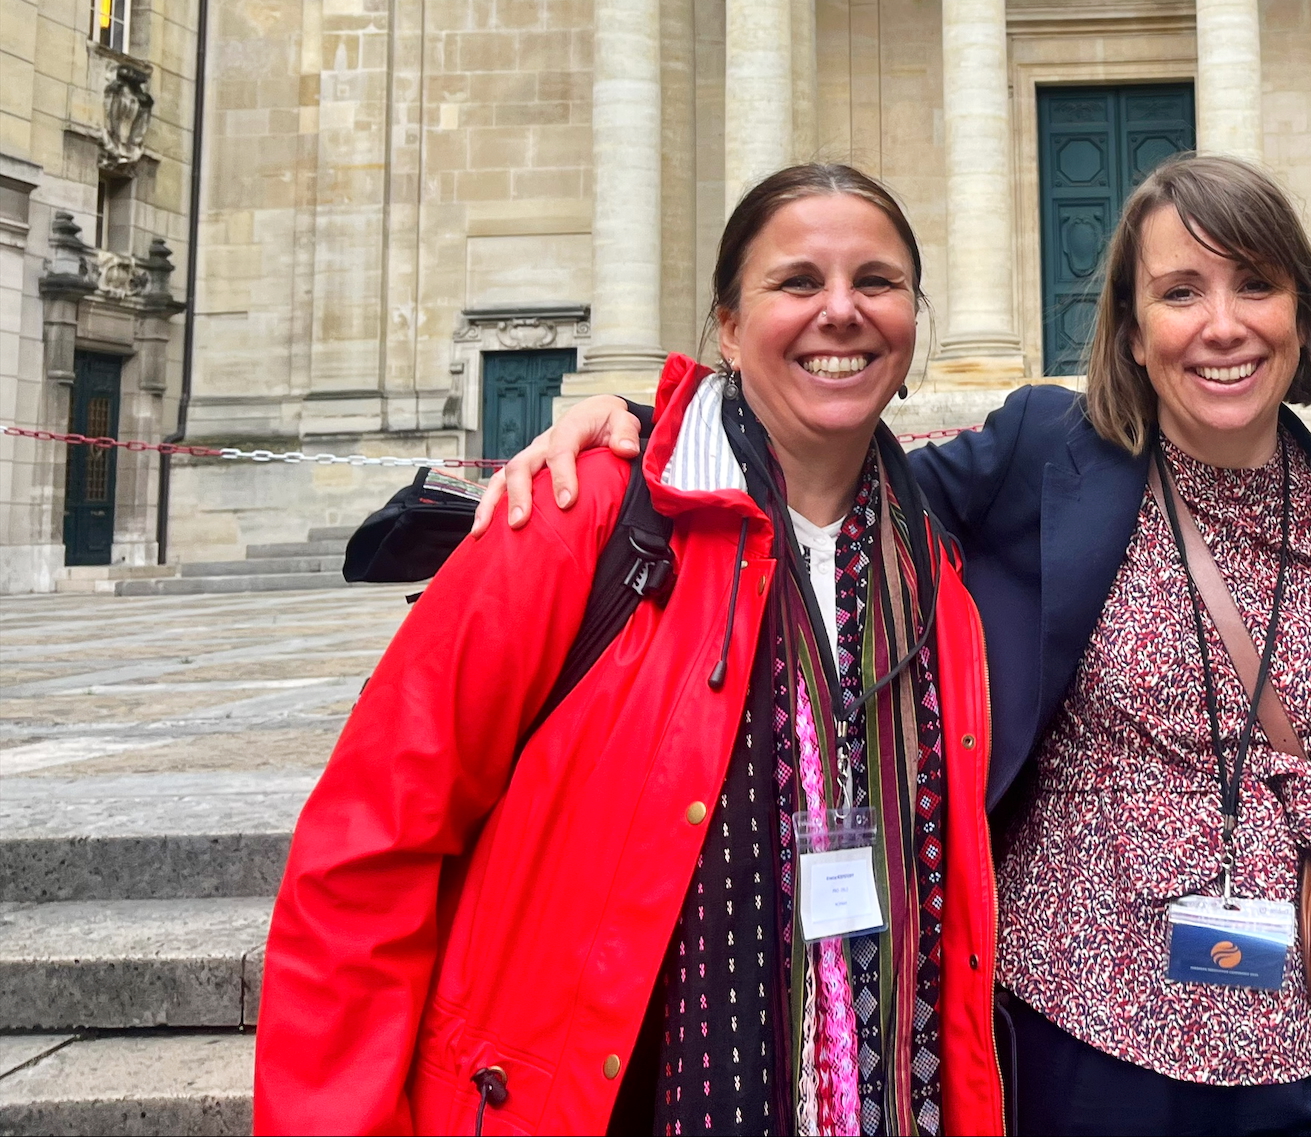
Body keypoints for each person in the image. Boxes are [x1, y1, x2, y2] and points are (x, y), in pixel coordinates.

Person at [485, 155, 1311, 1136]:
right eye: (1178, 292)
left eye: (1255, 284)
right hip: (1084, 1042)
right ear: (1130, 329)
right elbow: (832, 479)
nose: (1222, 324)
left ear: (1302, 309)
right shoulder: (1048, 450)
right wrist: (653, 424)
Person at [254, 164, 1003, 1136]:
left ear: (913, 317)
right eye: (795, 281)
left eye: (876, 281)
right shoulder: (579, 516)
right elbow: (366, 849)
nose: (840, 311)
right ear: (727, 324)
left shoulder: (935, 575)